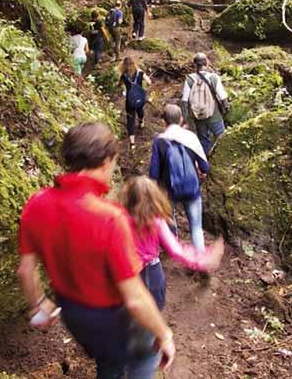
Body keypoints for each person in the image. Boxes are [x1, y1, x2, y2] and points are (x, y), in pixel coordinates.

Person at [17, 123, 175, 379]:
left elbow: (25, 270)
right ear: (105, 161)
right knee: (146, 357)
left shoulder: (36, 204)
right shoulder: (109, 218)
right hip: (115, 318)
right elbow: (134, 298)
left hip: (75, 316)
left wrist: (38, 304)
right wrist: (164, 333)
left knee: (109, 363)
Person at [120, 175, 224, 310]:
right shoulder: (155, 221)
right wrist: (204, 259)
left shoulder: (118, 217)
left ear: (128, 197)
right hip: (151, 272)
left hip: (126, 272)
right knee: (153, 312)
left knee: (129, 312)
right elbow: (176, 250)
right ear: (154, 197)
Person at [149, 104, 210, 250]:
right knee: (196, 227)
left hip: (168, 190)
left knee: (169, 219)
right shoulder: (191, 137)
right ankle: (200, 260)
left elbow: (154, 174)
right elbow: (205, 167)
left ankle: (174, 251)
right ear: (181, 119)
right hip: (192, 188)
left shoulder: (160, 141)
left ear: (164, 122)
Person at [181, 53, 229, 155]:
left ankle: (207, 162)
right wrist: (226, 111)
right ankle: (220, 159)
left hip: (198, 117)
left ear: (195, 65)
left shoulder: (189, 79)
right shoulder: (213, 77)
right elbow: (223, 97)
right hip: (214, 115)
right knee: (221, 138)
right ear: (206, 63)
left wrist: (186, 119)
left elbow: (184, 101)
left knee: (203, 141)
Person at [120, 57, 151, 151]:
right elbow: (149, 82)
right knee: (140, 109)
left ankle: (132, 144)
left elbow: (119, 85)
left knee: (130, 120)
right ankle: (141, 121)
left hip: (130, 101)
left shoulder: (124, 75)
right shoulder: (140, 73)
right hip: (140, 98)